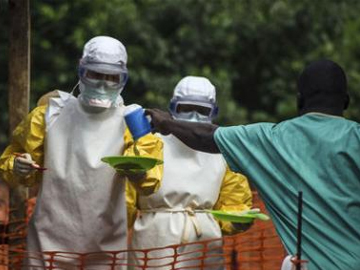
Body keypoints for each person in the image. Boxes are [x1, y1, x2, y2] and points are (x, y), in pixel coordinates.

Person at [146, 60, 360, 270]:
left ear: (299, 100)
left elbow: (206, 136)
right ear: (346, 101)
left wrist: (166, 123)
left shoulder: (270, 140)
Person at [0, 36, 162, 269]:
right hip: (48, 244)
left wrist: (140, 173)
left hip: (105, 247)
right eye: (95, 74)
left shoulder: (131, 122)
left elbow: (151, 182)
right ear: (81, 70)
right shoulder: (49, 115)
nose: (103, 84)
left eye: (111, 78)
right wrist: (17, 165)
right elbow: (12, 166)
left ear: (123, 79)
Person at [127, 76, 253, 269]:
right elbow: (128, 196)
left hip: (204, 243)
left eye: (202, 111)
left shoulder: (222, 152)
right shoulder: (152, 142)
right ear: (172, 108)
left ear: (214, 112)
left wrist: (237, 220)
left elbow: (235, 200)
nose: (194, 116)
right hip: (155, 240)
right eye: (186, 108)